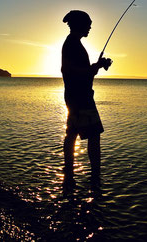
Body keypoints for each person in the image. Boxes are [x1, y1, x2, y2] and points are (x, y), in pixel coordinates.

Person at [61, 10, 112, 190]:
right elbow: (71, 70)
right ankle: (95, 178)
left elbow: (76, 71)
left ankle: (69, 176)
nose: (90, 27)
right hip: (81, 99)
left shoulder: (72, 44)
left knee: (72, 134)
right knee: (94, 135)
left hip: (74, 97)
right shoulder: (72, 44)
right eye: (88, 23)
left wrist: (96, 67)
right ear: (80, 24)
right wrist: (94, 68)